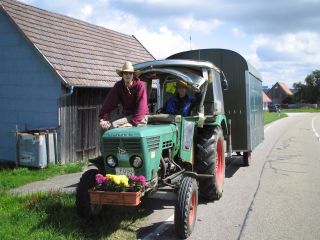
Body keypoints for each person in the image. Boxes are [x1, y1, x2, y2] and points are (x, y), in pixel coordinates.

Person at [99, 61, 148, 131]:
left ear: (133, 75)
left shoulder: (140, 86)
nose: (128, 75)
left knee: (114, 125)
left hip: (140, 117)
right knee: (106, 125)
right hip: (127, 115)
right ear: (122, 75)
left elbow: (142, 107)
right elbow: (109, 102)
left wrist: (132, 123)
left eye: (130, 73)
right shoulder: (118, 86)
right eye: (125, 73)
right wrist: (103, 118)